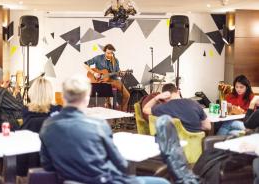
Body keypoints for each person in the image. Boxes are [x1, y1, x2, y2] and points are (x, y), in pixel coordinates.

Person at [39, 75, 170, 184]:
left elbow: (47, 165)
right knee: (162, 182)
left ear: (63, 97)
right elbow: (121, 164)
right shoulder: (98, 126)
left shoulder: (47, 126)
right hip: (103, 181)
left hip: (69, 181)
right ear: (86, 98)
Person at [143, 83, 211, 132]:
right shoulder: (195, 104)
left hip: (175, 147)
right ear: (178, 92)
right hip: (196, 147)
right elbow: (208, 126)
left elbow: (145, 109)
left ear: (164, 95)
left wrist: (156, 98)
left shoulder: (163, 108)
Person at [84, 44, 130, 111]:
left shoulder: (116, 61)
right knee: (106, 93)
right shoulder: (98, 58)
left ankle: (121, 112)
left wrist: (121, 73)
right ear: (105, 51)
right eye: (108, 53)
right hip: (102, 81)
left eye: (111, 53)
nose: (109, 55)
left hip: (114, 80)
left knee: (127, 95)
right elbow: (85, 64)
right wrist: (94, 73)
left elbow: (118, 72)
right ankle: (108, 108)